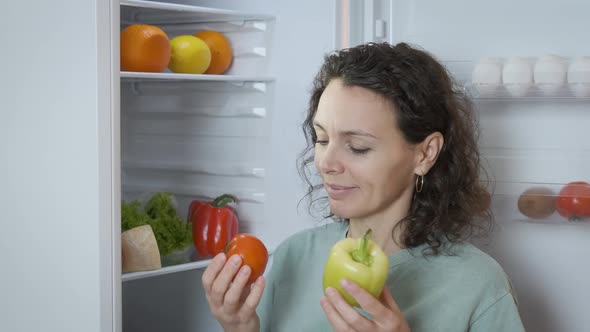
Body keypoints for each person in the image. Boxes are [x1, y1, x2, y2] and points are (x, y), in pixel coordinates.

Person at [201, 42, 525, 332]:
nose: (326, 162)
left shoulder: (477, 285)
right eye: (322, 139)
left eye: (357, 147)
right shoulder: (293, 257)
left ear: (425, 153)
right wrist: (241, 328)